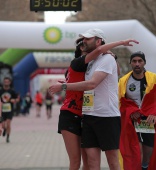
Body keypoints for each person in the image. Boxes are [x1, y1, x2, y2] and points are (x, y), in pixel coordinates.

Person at [48, 28, 139, 170]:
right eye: (82, 40)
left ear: (98, 41)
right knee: (90, 162)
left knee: (112, 160)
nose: (84, 41)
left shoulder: (107, 58)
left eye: (87, 39)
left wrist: (64, 86)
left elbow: (92, 83)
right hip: (88, 116)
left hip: (106, 116)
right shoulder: (88, 63)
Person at [118, 51, 156, 170]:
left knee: (148, 150)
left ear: (144, 63)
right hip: (132, 119)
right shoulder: (124, 81)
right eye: (134, 61)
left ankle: (144, 166)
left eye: (140, 61)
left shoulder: (153, 78)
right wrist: (132, 110)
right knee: (135, 148)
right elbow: (122, 102)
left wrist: (155, 112)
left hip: (149, 119)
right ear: (130, 63)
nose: (137, 64)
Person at [0, 77, 18, 143]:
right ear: (3, 82)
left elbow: (17, 99)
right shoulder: (1, 91)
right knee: (3, 124)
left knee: (8, 123)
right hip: (2, 111)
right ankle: (4, 129)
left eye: (7, 82)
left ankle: (8, 137)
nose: (6, 83)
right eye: (5, 82)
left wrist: (14, 100)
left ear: (9, 83)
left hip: (10, 110)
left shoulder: (12, 91)